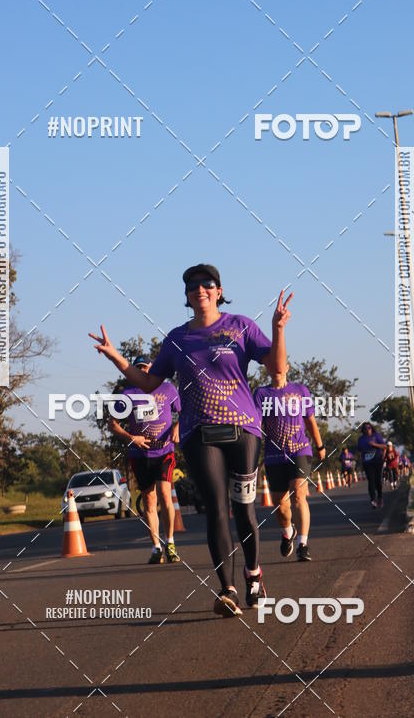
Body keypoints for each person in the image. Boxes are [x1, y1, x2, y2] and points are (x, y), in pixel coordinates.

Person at [90, 263, 293, 618]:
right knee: (216, 508)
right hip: (199, 434)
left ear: (218, 291)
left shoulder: (240, 326)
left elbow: (276, 366)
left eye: (207, 284)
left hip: (244, 430)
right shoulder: (177, 339)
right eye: (192, 286)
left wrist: (277, 330)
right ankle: (227, 589)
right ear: (186, 296)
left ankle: (254, 573)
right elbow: (150, 383)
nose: (199, 290)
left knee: (244, 509)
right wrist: (116, 358)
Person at [107, 355, 181, 564]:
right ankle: (156, 548)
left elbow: (184, 413)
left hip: (164, 451)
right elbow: (112, 424)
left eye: (146, 367)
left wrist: (177, 427)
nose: (144, 371)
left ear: (154, 368)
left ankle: (171, 542)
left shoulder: (168, 389)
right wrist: (131, 438)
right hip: (140, 455)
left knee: (165, 494)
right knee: (149, 500)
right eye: (139, 368)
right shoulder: (128, 394)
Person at [253, 367, 325, 562]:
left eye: (281, 363)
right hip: (274, 456)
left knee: (299, 495)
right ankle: (288, 532)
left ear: (286, 367)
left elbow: (310, 420)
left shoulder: (301, 390)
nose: (277, 367)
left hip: (300, 450)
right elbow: (256, 425)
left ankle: (303, 544)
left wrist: (320, 445)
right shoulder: (261, 394)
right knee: (280, 505)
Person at [356, 421, 387, 508]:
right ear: (363, 430)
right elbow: (359, 450)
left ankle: (380, 497)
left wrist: (374, 444)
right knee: (371, 480)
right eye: (365, 428)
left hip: (377, 461)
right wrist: (360, 461)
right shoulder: (361, 439)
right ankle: (373, 499)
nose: (367, 430)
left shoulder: (377, 436)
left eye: (369, 428)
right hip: (367, 462)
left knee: (377, 480)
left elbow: (384, 447)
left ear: (371, 428)